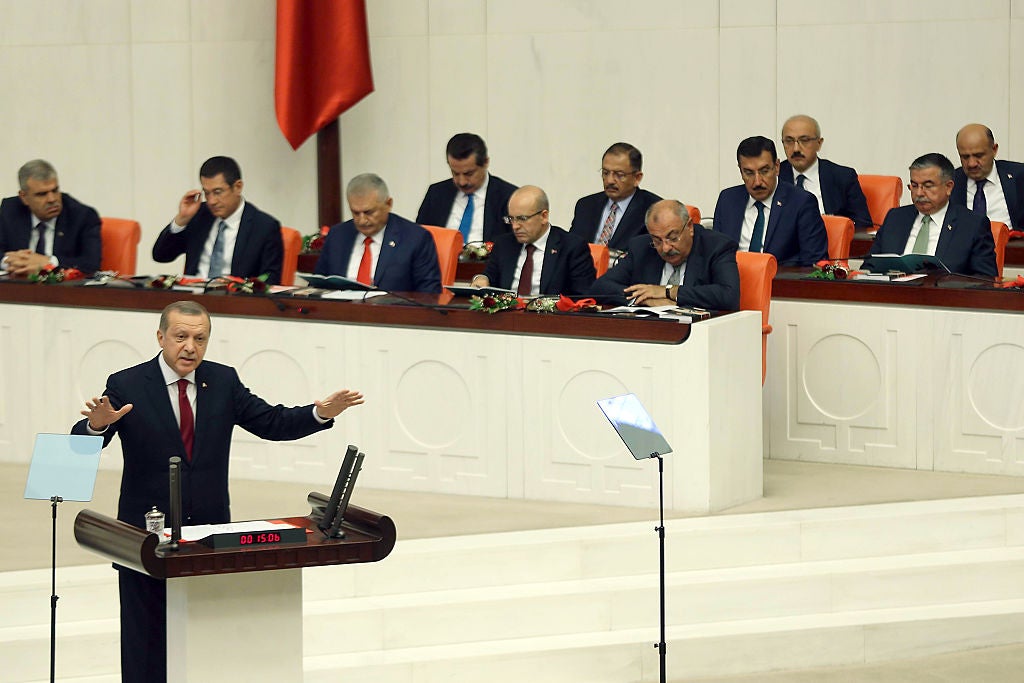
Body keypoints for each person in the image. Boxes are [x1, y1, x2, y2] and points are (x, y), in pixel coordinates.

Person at [70, 300, 363, 683]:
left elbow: (272, 422)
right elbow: (81, 448)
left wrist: (319, 412)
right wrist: (95, 426)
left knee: (203, 638)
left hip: (208, 536)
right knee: (146, 645)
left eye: (199, 338)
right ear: (161, 337)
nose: (190, 346)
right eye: (180, 337)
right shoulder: (127, 383)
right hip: (145, 537)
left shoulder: (223, 381)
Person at [151, 156, 284, 284]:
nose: (211, 201)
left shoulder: (264, 227)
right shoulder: (199, 215)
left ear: (238, 187)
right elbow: (161, 255)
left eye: (218, 192)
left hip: (235, 301)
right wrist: (182, 219)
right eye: (207, 193)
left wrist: (240, 285)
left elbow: (270, 280)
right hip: (193, 299)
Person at [592, 199, 739, 310]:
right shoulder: (641, 247)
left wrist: (668, 291)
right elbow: (600, 287)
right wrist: (645, 299)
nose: (666, 248)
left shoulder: (716, 246)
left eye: (673, 238)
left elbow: (728, 295)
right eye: (657, 241)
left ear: (689, 227)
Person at [867, 153, 997, 277]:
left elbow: (985, 279)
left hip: (944, 297)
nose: (919, 193)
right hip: (892, 295)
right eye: (914, 185)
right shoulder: (895, 218)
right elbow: (869, 266)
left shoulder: (972, 225)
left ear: (948, 187)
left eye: (927, 186)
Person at [713, 136, 828, 267]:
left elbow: (813, 262)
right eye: (749, 173)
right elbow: (715, 254)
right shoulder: (728, 199)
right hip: (732, 283)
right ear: (740, 171)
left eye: (764, 171)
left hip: (778, 283)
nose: (757, 182)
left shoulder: (801, 203)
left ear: (777, 167)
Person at [316, 173, 442, 293]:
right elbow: (318, 285)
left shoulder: (415, 239)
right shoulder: (337, 236)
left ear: (388, 204)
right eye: (355, 213)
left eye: (369, 212)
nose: (362, 220)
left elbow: (429, 295)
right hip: (339, 313)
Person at [472, 185, 596, 296]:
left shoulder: (572, 247)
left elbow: (582, 297)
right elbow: (489, 276)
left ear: (544, 216)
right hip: (506, 318)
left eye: (522, 218)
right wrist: (481, 278)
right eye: (511, 219)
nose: (515, 226)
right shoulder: (504, 244)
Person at [0, 159, 101, 275]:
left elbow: (91, 263)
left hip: (62, 291)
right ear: (24, 197)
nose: (52, 199)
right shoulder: (9, 210)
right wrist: (9, 262)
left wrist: (49, 263)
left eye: (55, 190)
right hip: (18, 288)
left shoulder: (82, 216)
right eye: (42, 194)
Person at [415, 133, 518, 244]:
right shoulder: (436, 193)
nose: (462, 182)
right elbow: (419, 237)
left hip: (489, 261)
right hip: (441, 260)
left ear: (485, 163)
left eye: (469, 174)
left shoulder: (509, 197)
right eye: (455, 173)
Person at [777, 115, 872, 228]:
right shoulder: (775, 176)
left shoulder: (843, 177)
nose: (796, 148)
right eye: (789, 141)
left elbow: (862, 222)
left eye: (804, 140)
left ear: (819, 143)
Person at [568, 142, 662, 251]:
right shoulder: (586, 205)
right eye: (605, 173)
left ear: (637, 178)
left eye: (619, 175)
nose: (610, 180)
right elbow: (571, 247)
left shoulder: (654, 210)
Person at [952, 123, 1024, 230]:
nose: (972, 163)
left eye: (979, 155)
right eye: (965, 157)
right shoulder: (950, 183)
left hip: (1011, 244)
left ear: (994, 149)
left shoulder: (1019, 176)